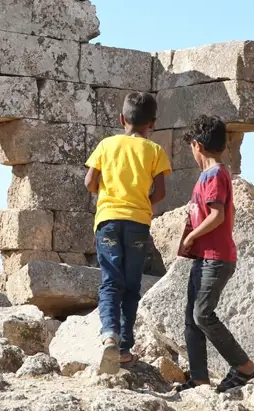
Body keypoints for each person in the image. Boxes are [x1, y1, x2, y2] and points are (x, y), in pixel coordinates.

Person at [84, 92, 171, 374]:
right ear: (153, 124)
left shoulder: (106, 145)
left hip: (108, 221)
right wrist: (142, 202)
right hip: (138, 224)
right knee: (131, 286)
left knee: (110, 281)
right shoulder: (155, 151)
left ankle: (109, 334)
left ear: (122, 119)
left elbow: (89, 182)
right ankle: (124, 350)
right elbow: (160, 192)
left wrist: (107, 195)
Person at [176, 115, 254, 393]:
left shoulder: (214, 175)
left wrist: (190, 236)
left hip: (216, 257)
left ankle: (244, 367)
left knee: (202, 315)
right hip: (205, 257)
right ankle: (199, 378)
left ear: (197, 145)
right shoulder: (213, 175)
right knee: (192, 318)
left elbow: (216, 215)